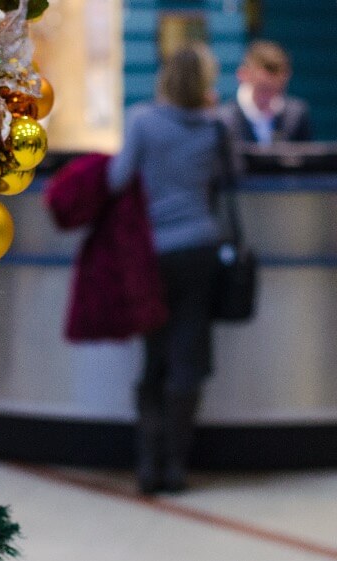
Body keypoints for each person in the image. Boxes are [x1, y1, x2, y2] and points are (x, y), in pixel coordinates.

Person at [107, 44, 236, 494]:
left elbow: (117, 180)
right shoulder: (220, 125)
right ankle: (177, 465)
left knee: (153, 355)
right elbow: (232, 175)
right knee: (188, 359)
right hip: (201, 250)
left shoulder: (142, 120)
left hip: (155, 252)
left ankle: (147, 464)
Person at [218, 39, 312, 144]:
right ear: (243, 75)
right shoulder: (225, 119)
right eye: (262, 89)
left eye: (276, 90)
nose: (268, 97)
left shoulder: (296, 115)